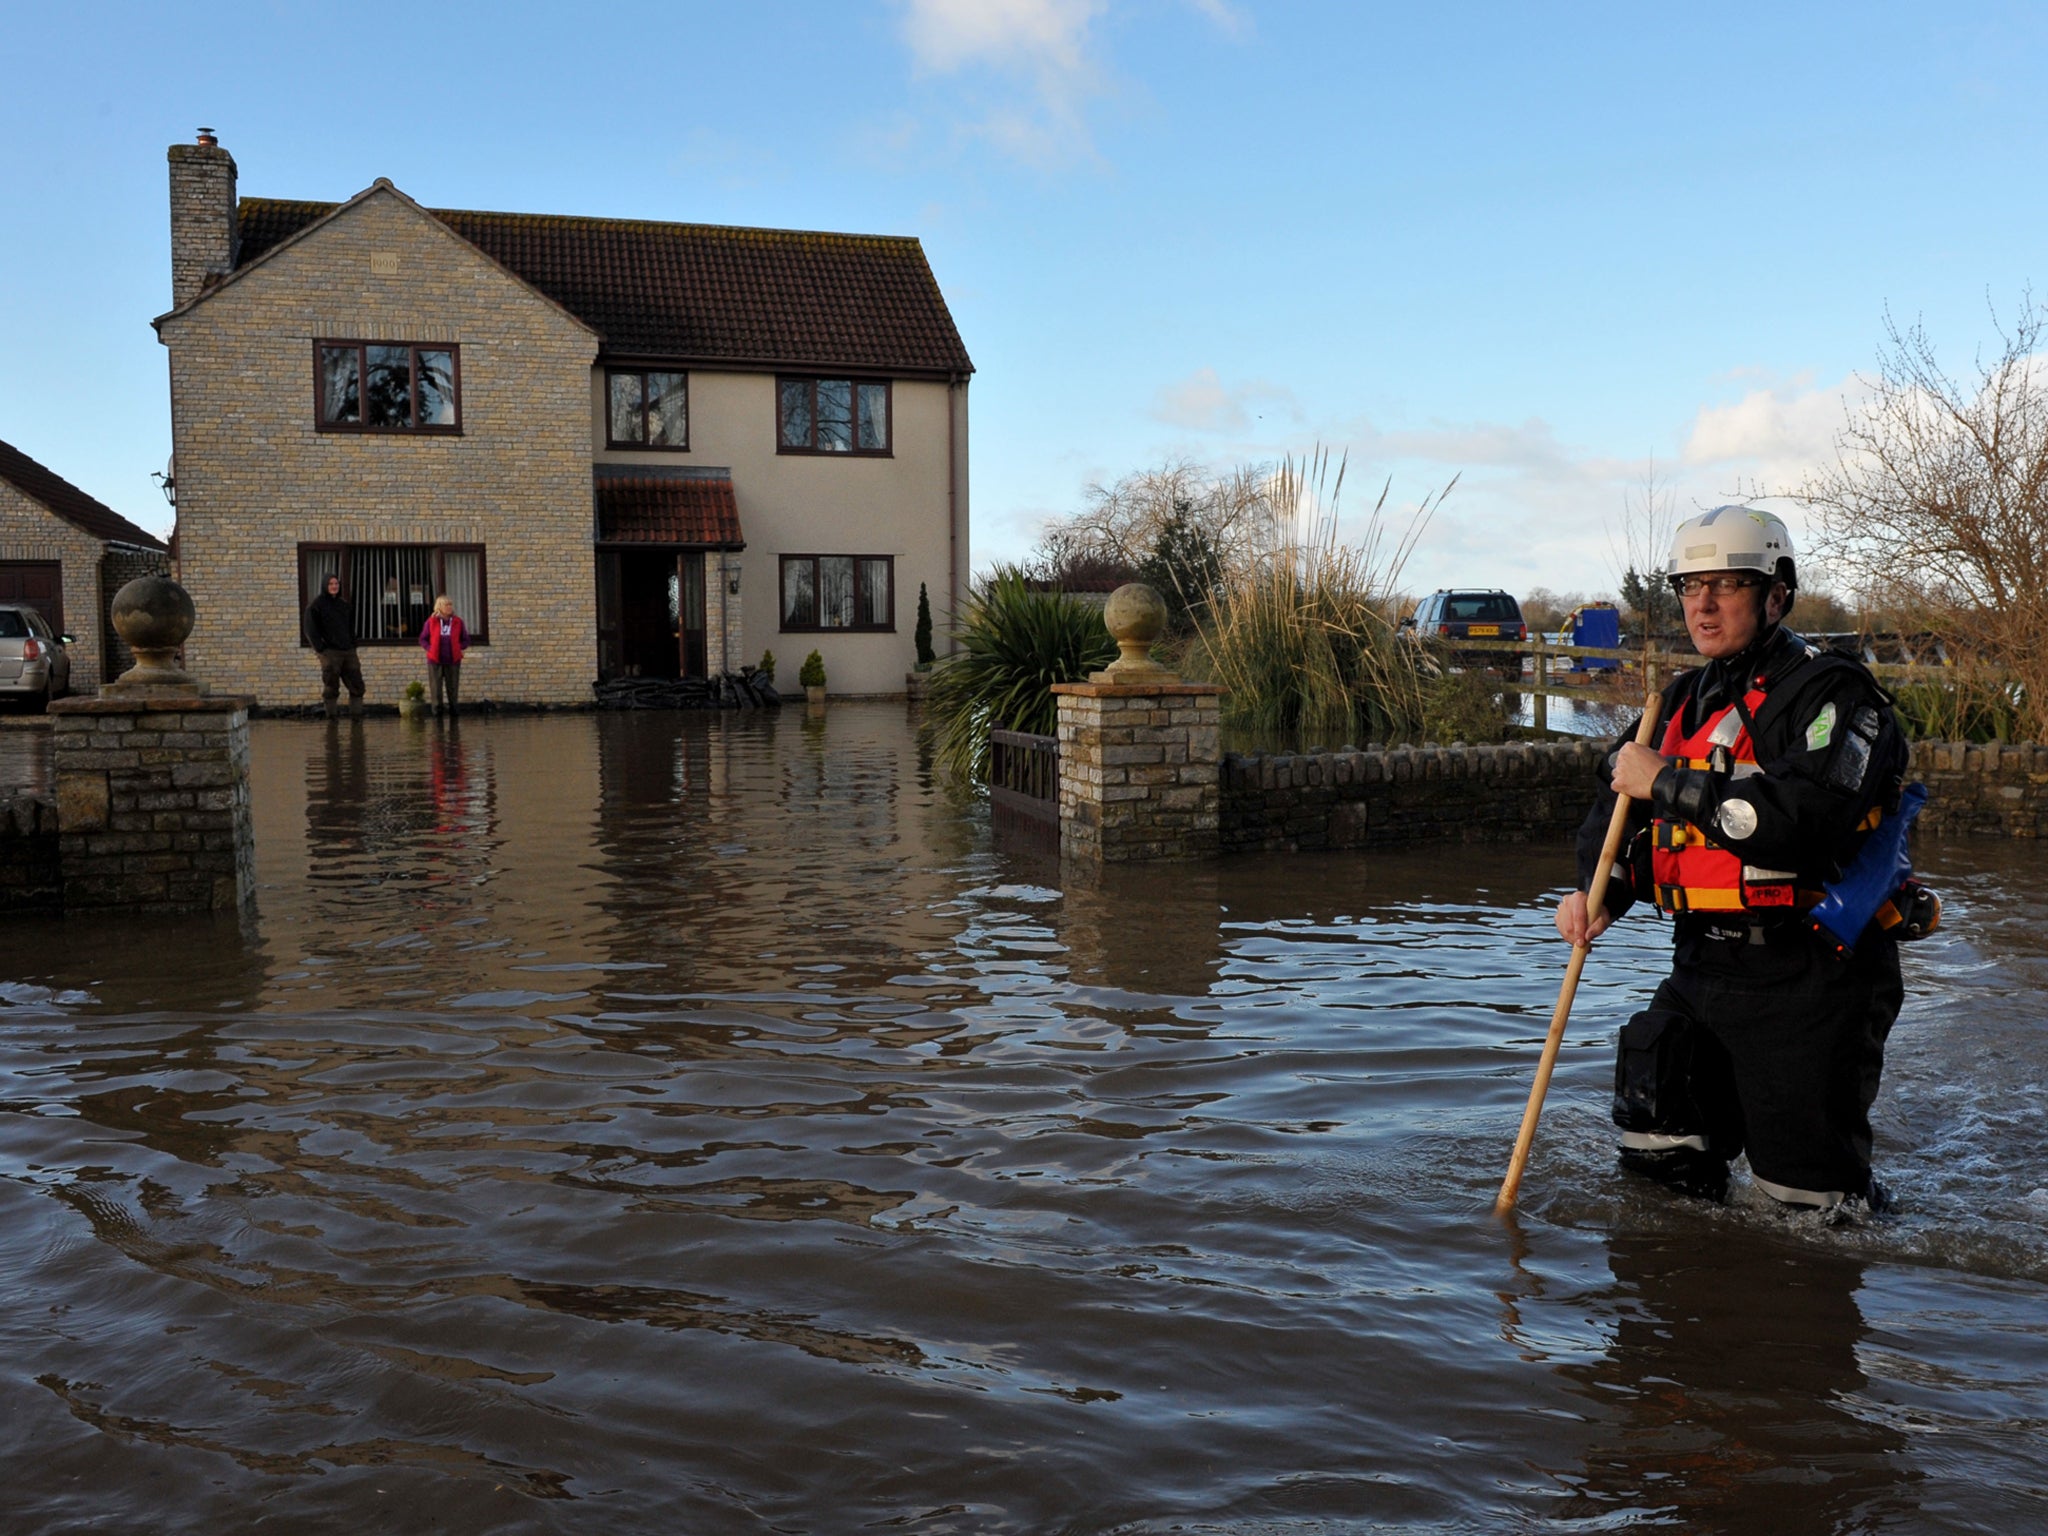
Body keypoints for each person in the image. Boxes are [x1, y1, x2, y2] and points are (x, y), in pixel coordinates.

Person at [1554, 506, 1911, 1210]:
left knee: (1805, 1212)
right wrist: (1595, 895)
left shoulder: (1836, 697)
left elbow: (1805, 819)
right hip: (1702, 964)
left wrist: (1666, 780)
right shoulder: (1680, 701)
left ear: (1776, 593)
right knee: (1656, 1162)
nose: (1703, 604)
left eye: (1727, 585)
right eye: (1690, 587)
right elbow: (1616, 820)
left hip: (1811, 973)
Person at [304, 572, 364, 719]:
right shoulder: (315, 606)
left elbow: (350, 627)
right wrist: (320, 648)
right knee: (331, 686)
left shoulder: (344, 605)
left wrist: (353, 643)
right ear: (325, 585)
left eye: (336, 584)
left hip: (348, 650)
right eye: (331, 584)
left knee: (357, 685)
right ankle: (332, 720)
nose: (334, 586)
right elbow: (310, 630)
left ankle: (356, 720)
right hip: (330, 652)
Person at [418, 594, 468, 718]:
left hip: (453, 660)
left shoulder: (457, 622)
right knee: (436, 690)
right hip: (435, 660)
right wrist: (430, 649)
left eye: (450, 604)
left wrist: (458, 647)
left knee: (453, 689)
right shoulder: (431, 622)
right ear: (440, 607)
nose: (450, 607)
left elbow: (466, 639)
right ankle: (437, 716)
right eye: (447, 605)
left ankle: (454, 715)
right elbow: (423, 639)